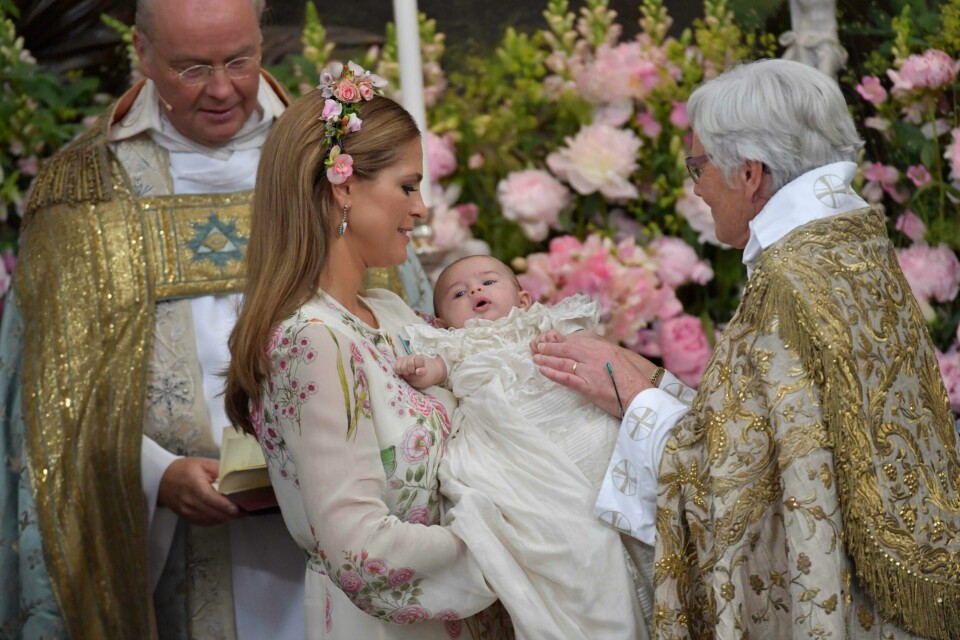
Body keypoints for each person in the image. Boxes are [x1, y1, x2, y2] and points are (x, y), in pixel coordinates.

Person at [0, 1, 434, 637]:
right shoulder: (87, 190)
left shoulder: (335, 158)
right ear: (143, 55)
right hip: (177, 548)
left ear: (263, 40)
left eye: (240, 60)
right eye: (191, 68)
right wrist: (155, 474)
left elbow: (403, 325)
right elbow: (49, 397)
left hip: (346, 526)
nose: (224, 88)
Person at [533, 58, 960, 639]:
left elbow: (736, 489)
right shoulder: (853, 241)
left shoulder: (788, 283)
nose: (697, 186)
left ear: (750, 173)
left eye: (698, 166)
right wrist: (653, 380)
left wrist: (633, 395)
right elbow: (791, 438)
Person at [223, 62, 513, 639]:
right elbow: (358, 551)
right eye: (408, 186)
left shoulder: (394, 314)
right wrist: (513, 552)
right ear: (345, 185)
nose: (421, 208)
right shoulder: (311, 340)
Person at [395, 254, 649, 639]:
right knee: (574, 530)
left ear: (525, 300)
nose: (475, 291)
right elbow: (436, 368)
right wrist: (421, 369)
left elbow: (590, 349)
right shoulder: (457, 343)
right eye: (459, 293)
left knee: (618, 487)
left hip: (568, 414)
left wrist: (563, 341)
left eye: (488, 282)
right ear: (444, 323)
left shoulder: (540, 322)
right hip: (512, 437)